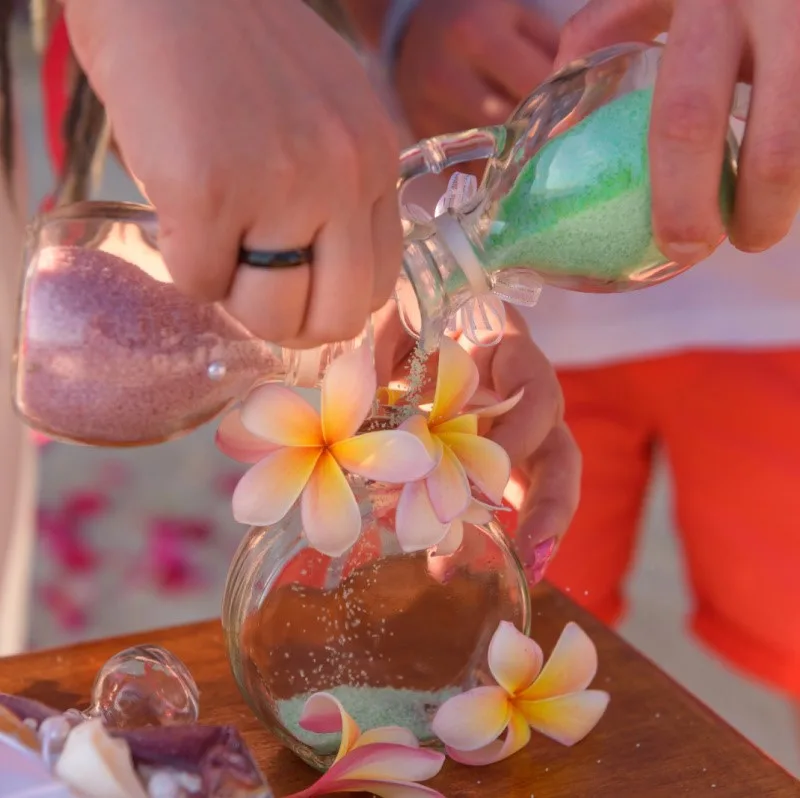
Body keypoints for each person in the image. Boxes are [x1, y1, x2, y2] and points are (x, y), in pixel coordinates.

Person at [340, 0, 800, 738]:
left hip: (780, 297)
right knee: (489, 630)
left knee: (788, 618)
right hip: (503, 323)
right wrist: (393, 20)